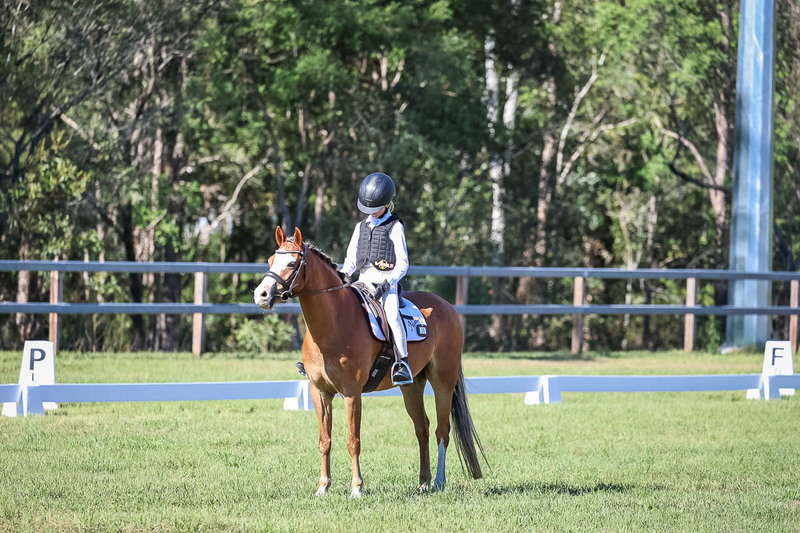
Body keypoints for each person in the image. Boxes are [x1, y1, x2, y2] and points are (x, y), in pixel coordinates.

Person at [340, 172, 412, 386]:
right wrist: (344, 274)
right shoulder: (360, 227)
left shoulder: (395, 227)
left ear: (387, 204)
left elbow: (403, 263)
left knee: (392, 315)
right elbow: (351, 259)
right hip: (361, 282)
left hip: (385, 283)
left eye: (376, 209)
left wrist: (389, 283)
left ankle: (402, 363)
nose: (371, 214)